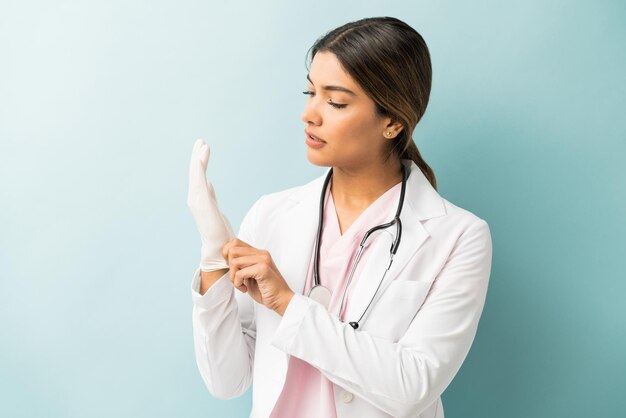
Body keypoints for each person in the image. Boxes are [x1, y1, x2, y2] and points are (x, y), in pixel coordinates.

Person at [187, 16, 493, 418]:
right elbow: (227, 381)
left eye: (335, 101)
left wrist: (287, 304)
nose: (309, 114)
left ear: (393, 122)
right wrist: (213, 264)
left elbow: (412, 388)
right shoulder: (272, 214)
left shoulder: (459, 236)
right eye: (310, 92)